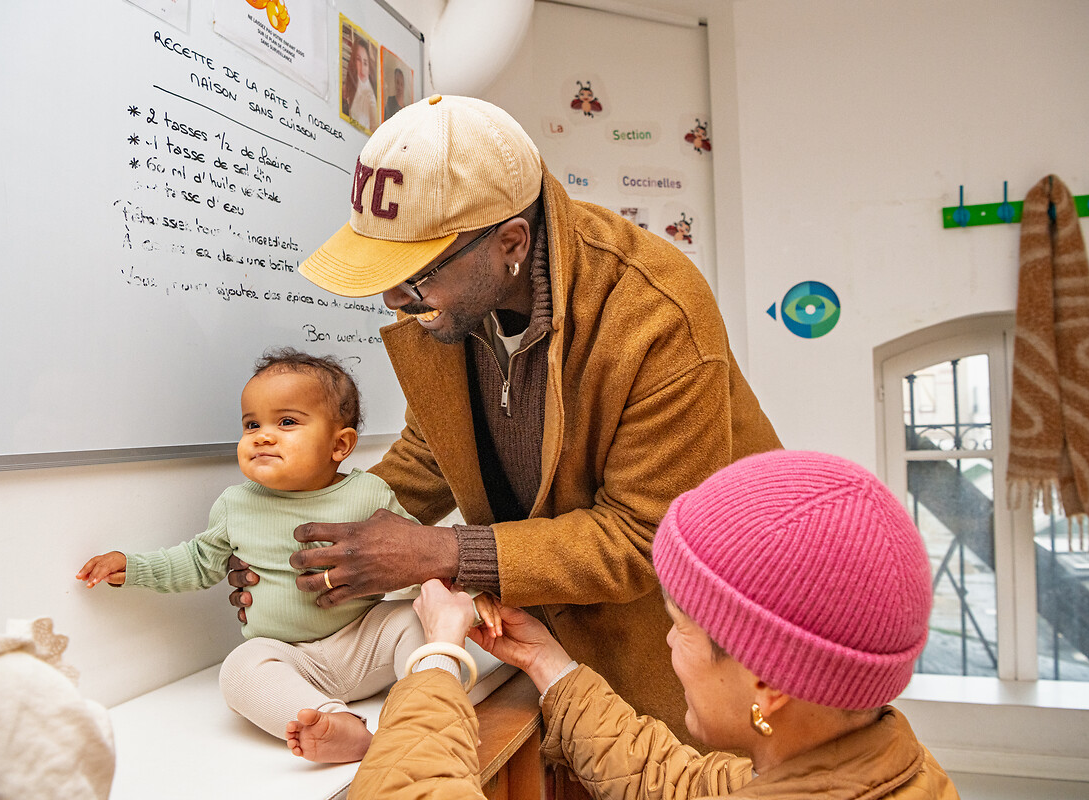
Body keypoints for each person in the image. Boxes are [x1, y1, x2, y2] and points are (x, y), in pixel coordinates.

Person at [229, 94, 782, 744]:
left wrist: (442, 552)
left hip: (703, 652)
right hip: (557, 652)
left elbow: (644, 536)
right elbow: (434, 454)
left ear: (511, 243)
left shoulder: (655, 312)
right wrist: (303, 545)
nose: (393, 298)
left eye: (415, 275)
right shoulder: (460, 305)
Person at [349, 450, 958, 800]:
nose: (668, 640)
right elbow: (683, 784)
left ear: (769, 685)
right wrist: (546, 663)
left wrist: (436, 658)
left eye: (682, 626)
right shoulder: (875, 766)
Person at [76, 348, 431, 763]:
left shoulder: (369, 494)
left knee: (416, 617)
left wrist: (462, 594)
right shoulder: (236, 505)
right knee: (239, 669)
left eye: (287, 422)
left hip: (366, 642)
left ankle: (423, 712)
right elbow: (196, 561)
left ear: (340, 444)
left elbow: (416, 555)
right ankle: (333, 724)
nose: (262, 435)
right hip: (287, 657)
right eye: (251, 424)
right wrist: (133, 567)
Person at [342, 36, 378, 133]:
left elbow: (375, 127)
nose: (362, 67)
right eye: (358, 60)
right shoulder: (351, 86)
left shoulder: (370, 97)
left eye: (365, 63)